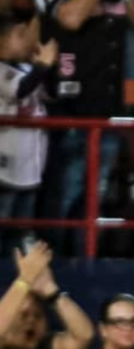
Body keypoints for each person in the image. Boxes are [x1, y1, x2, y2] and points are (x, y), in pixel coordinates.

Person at [41, 0, 134, 254]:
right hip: (72, 115)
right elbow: (70, 19)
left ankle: (84, 261)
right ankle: (51, 262)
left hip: (108, 116)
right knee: (65, 194)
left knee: (94, 202)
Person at [0, 2, 56, 254]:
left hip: (30, 169)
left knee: (20, 237)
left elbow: (51, 93)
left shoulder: (26, 68)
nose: (29, 41)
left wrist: (46, 67)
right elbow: (18, 90)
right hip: (5, 172)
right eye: (23, 36)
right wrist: (43, 66)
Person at [0, 240, 94, 349]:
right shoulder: (4, 345)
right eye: (24, 315)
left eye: (38, 316)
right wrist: (24, 280)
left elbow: (84, 336)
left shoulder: (48, 347)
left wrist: (51, 290)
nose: (31, 321)